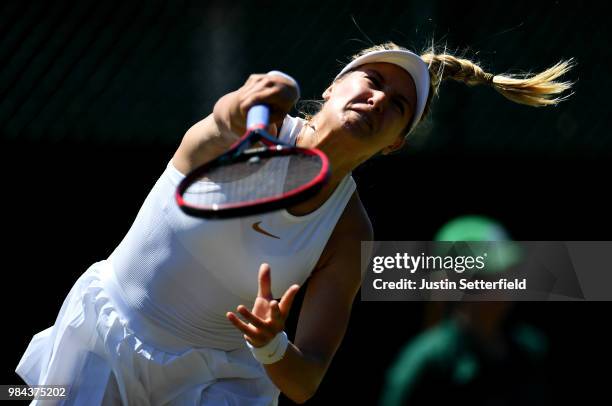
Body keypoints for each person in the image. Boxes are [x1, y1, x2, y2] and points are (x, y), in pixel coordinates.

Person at [16, 42, 573, 405]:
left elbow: (307, 377)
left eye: (399, 105)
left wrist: (270, 344)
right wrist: (255, 100)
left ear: (396, 143)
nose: (380, 98)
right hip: (102, 336)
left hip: (214, 384)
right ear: (333, 86)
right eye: (371, 80)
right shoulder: (244, 131)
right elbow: (231, 112)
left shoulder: (349, 233)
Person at [379, 216, 549, 406]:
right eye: (487, 276)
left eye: (507, 272)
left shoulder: (531, 350)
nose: (503, 285)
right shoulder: (425, 364)